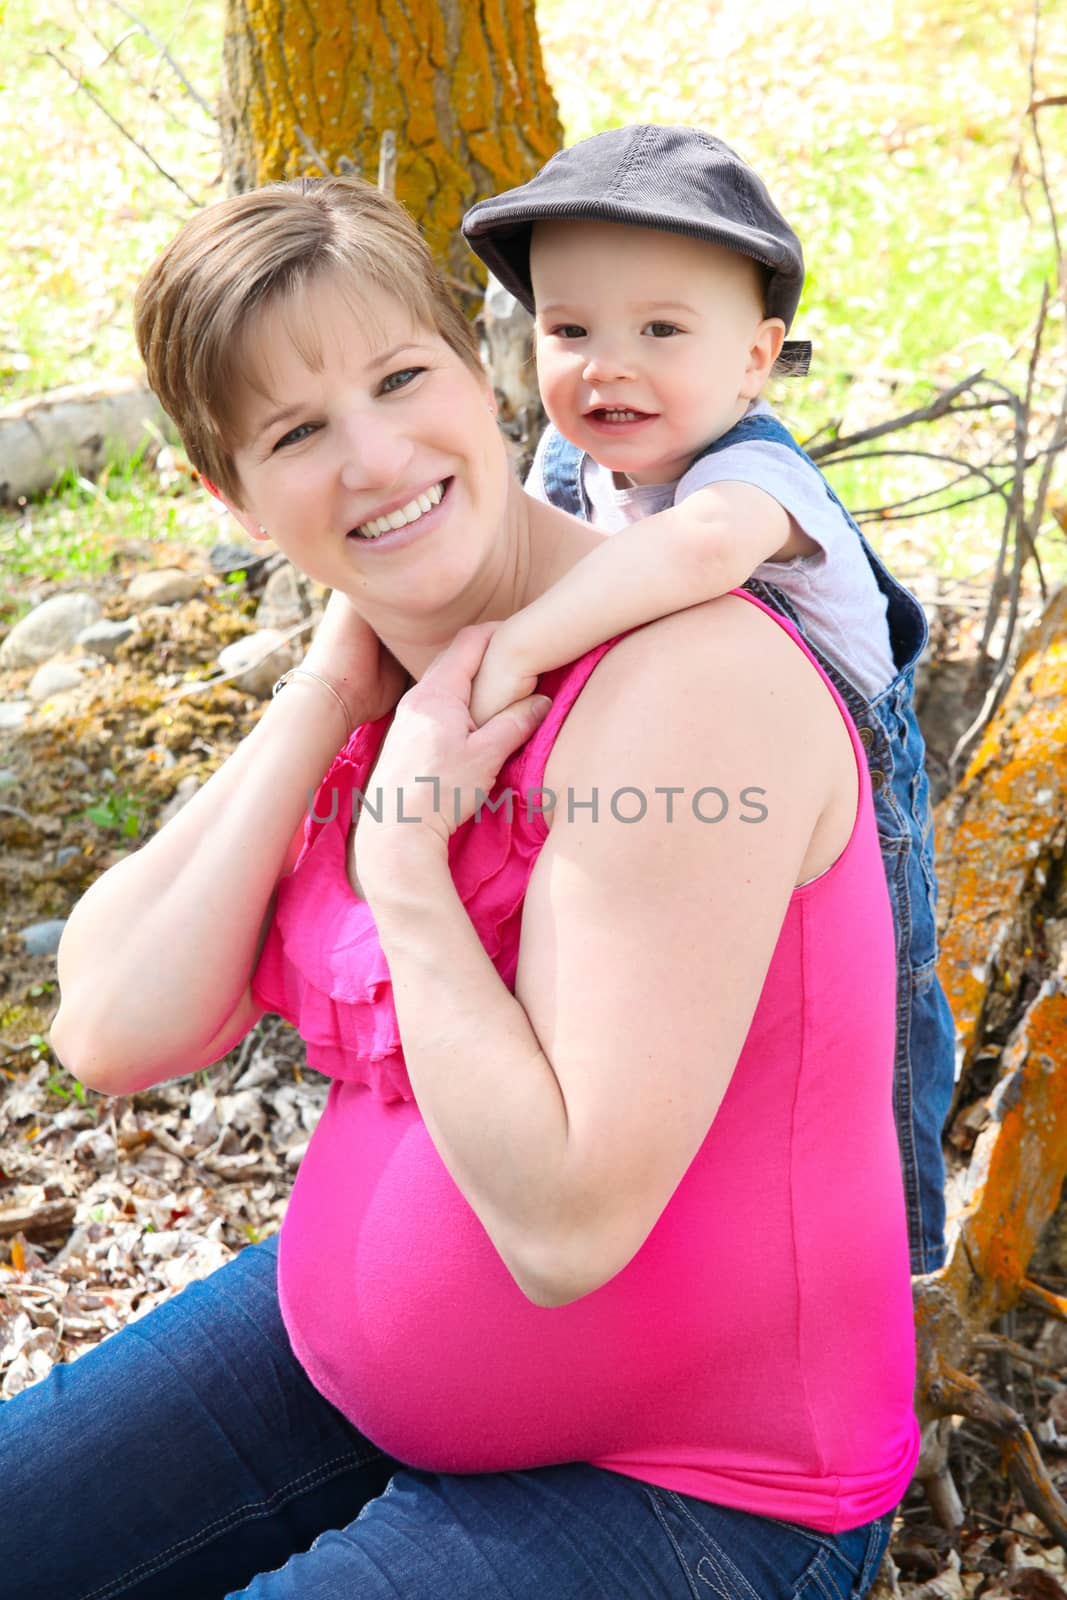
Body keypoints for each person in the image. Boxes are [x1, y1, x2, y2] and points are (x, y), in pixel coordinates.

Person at [0, 175, 919, 1600]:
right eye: (299, 433)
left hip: (698, 1495)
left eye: (398, 379)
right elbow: (113, 1027)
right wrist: (321, 695)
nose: (372, 460)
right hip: (351, 1386)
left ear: (481, 378)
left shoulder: (685, 687)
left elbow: (564, 1228)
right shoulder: (386, 669)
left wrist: (402, 871)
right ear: (227, 496)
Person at [461, 124, 956, 1275]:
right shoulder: (572, 464)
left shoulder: (752, 481)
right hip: (692, 825)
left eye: (660, 331)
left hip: (843, 855)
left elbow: (694, 553)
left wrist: (519, 641)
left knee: (863, 1063)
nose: (607, 366)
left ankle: (894, 1273)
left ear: (754, 357)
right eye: (569, 329)